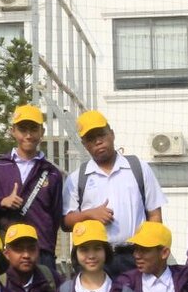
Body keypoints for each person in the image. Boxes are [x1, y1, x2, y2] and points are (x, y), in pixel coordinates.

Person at [62, 110, 165, 277]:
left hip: (135, 256)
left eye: (101, 134)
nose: (98, 141)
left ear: (112, 134)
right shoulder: (76, 178)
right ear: (84, 144)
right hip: (95, 257)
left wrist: (153, 250)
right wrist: (90, 214)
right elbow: (65, 222)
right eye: (91, 138)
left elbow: (155, 214)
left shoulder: (138, 168)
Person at [0, 104, 65, 283]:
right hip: (7, 250)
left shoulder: (52, 173)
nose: (28, 135)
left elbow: (55, 215)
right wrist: (1, 202)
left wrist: (47, 246)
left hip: (41, 251)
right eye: (23, 129)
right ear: (13, 131)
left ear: (42, 132)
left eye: (33, 129)